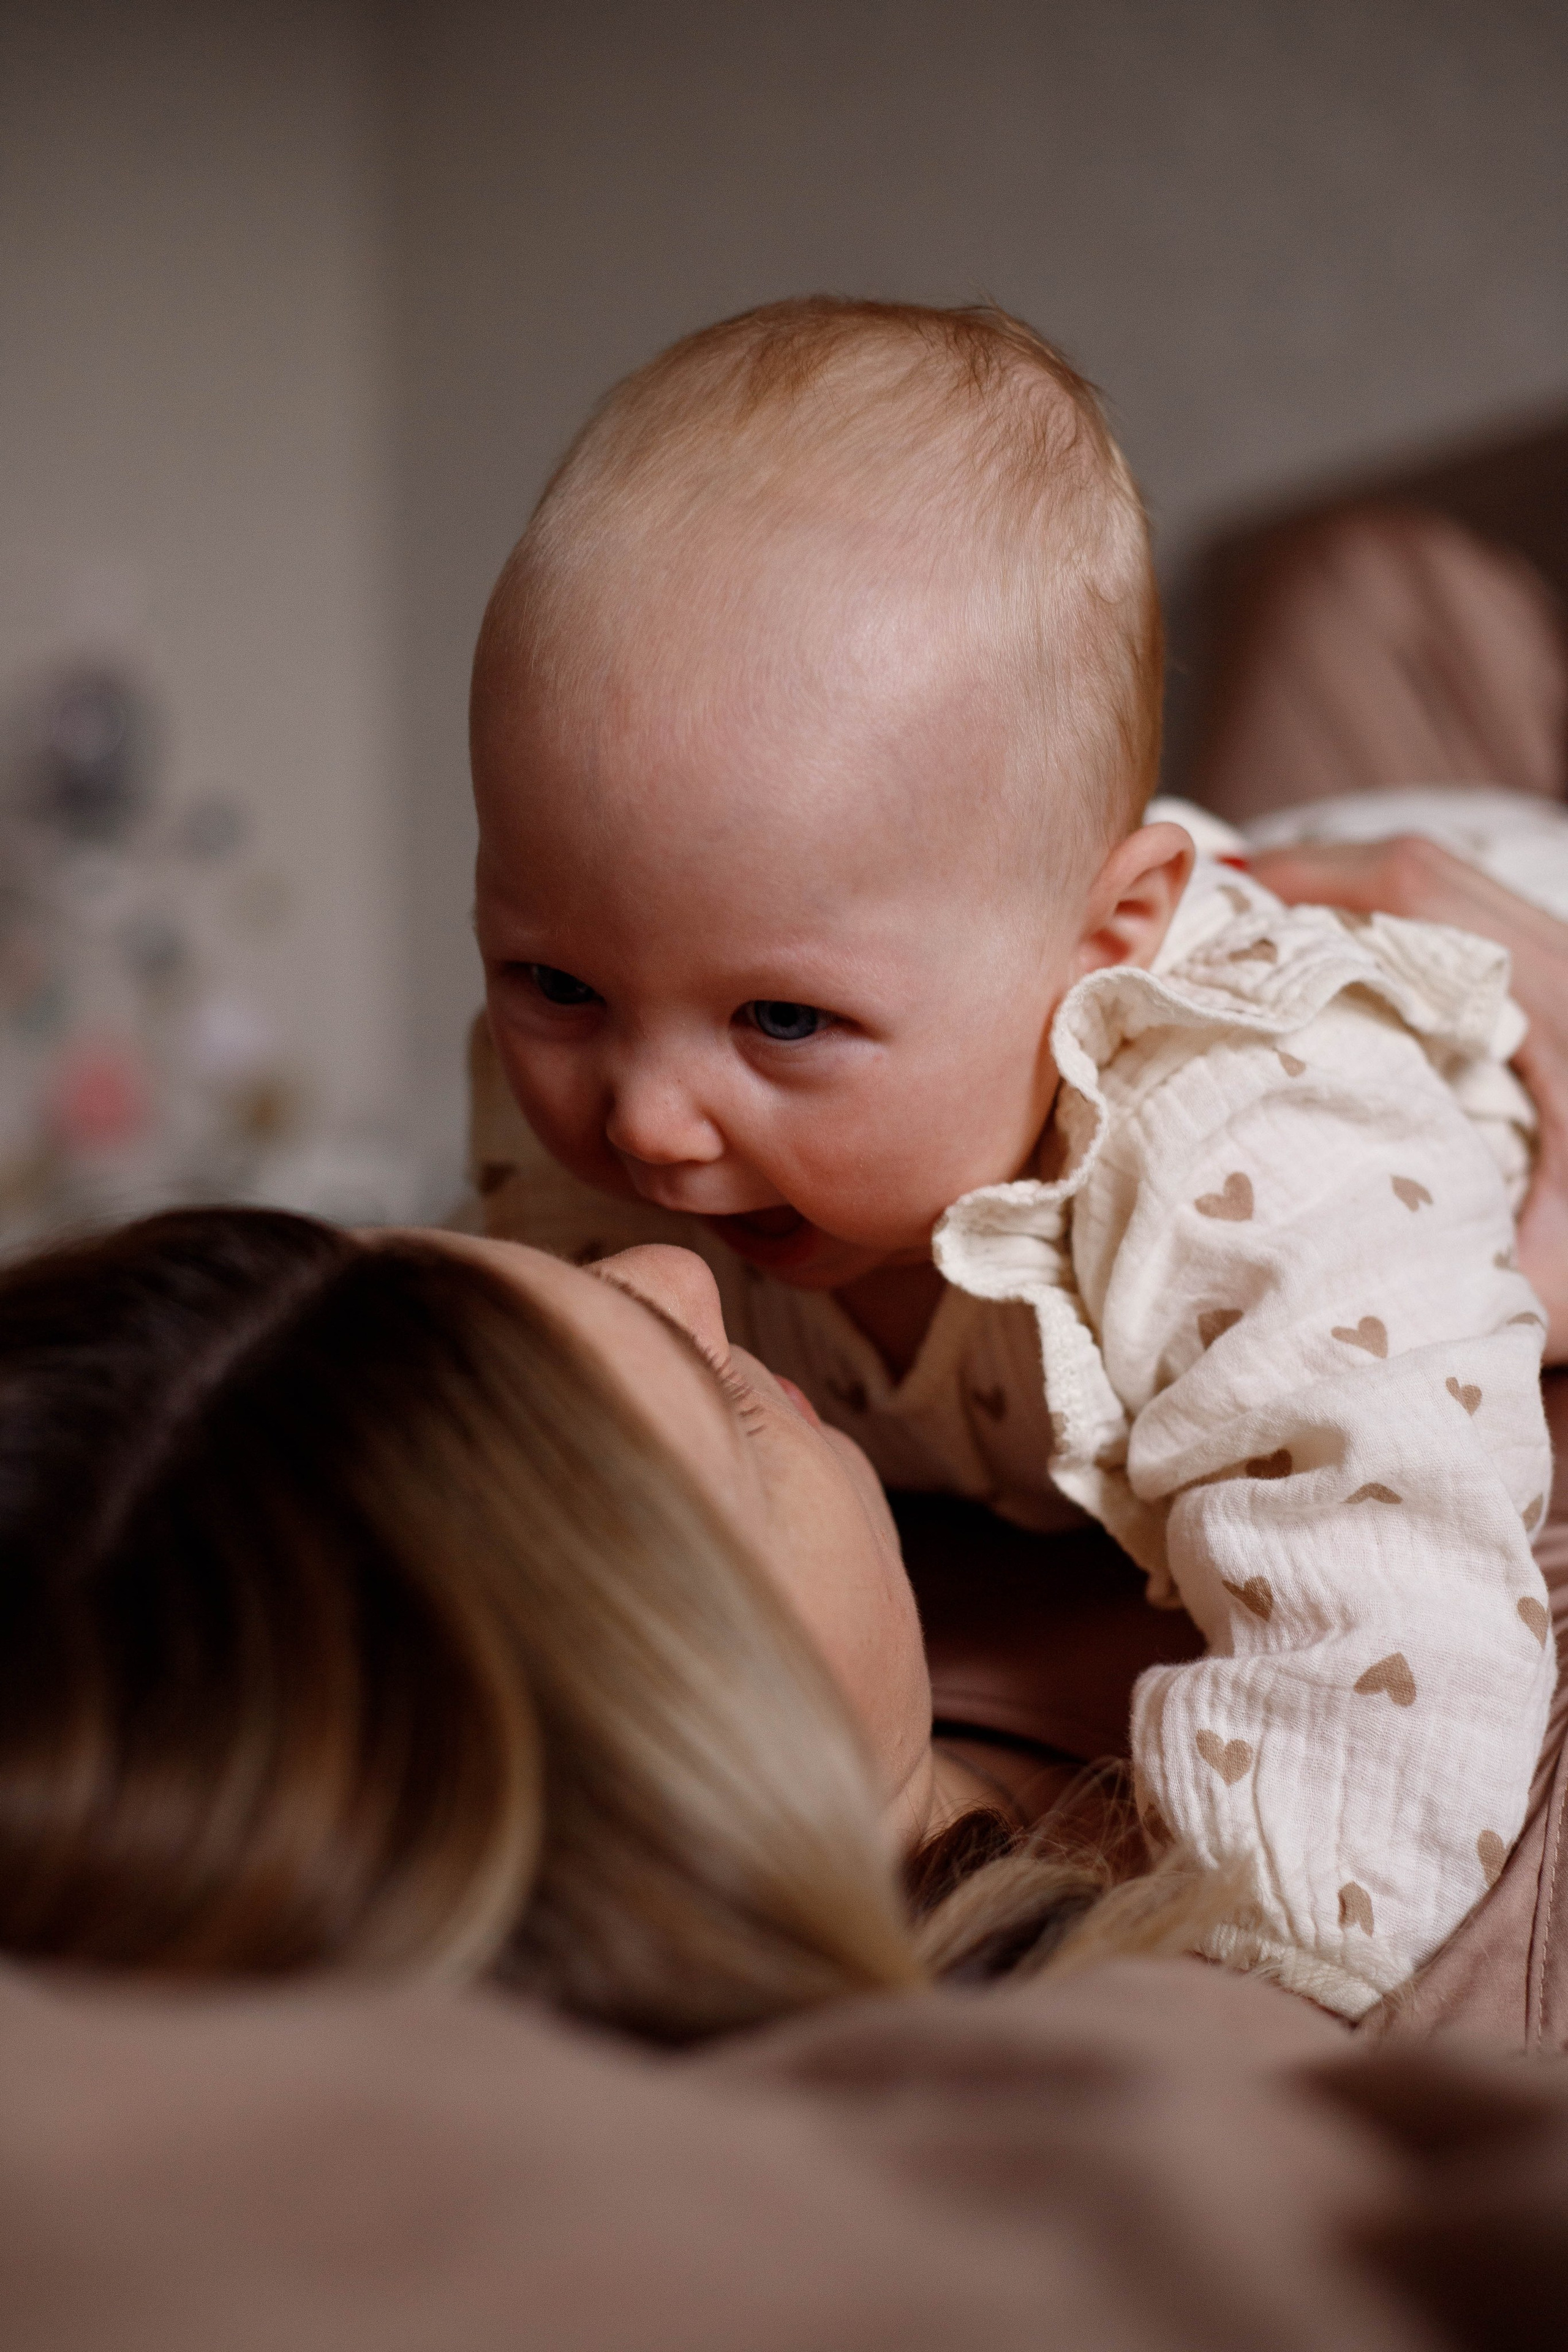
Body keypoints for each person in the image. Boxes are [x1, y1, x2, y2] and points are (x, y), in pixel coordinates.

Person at [466, 295, 1557, 2021]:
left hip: (1498, 922)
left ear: (1104, 943)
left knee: (1377, 602)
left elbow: (1399, 1644)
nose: (643, 1125)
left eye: (783, 1023)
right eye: (551, 983)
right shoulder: (644, 1067)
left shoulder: (1244, 1149)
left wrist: (1237, 1987)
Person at [0, 1202, 1204, 2037]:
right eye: (727, 1404)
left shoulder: (948, 1494)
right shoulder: (1253, 1976)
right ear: (692, 1760)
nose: (676, 1263)